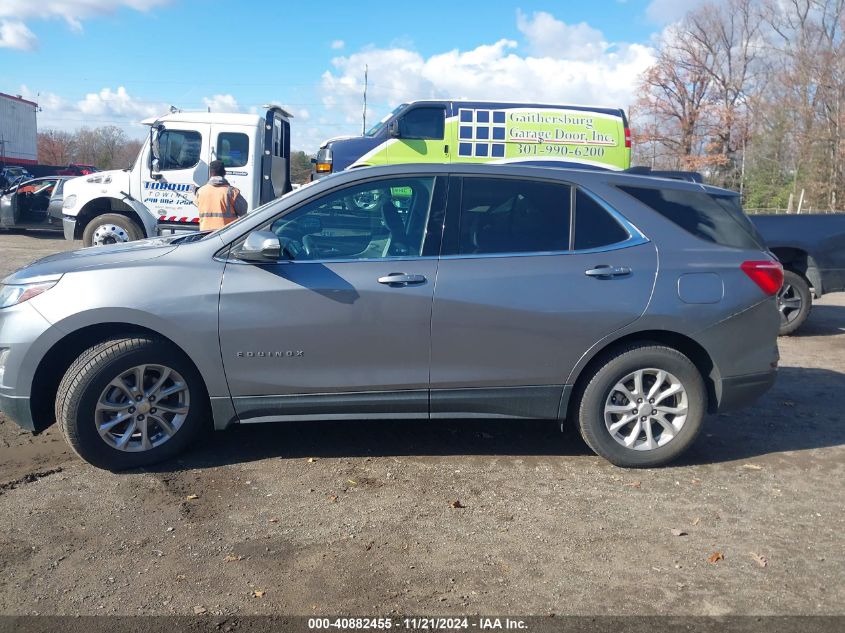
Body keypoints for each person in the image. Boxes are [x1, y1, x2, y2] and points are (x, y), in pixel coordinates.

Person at [195, 160, 247, 231]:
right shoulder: (231, 192)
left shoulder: (200, 191)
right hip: (226, 233)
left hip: (205, 232)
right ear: (224, 173)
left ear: (210, 173)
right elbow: (243, 211)